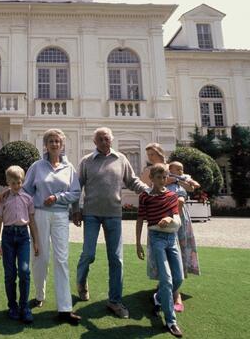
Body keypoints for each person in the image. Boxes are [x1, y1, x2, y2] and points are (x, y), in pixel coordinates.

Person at [74, 127, 148, 319]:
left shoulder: (121, 159)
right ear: (95, 142)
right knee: (88, 254)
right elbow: (76, 187)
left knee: (116, 259)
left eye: (107, 138)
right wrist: (75, 209)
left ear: (111, 140)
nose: (105, 141)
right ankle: (81, 282)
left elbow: (132, 181)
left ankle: (114, 301)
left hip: (114, 214)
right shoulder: (86, 161)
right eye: (101, 139)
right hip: (90, 214)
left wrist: (148, 190)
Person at [22, 128, 82, 325]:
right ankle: (39, 295)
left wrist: (57, 197)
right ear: (45, 145)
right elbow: (26, 191)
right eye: (51, 141)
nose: (55, 144)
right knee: (41, 256)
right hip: (39, 214)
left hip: (60, 215)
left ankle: (65, 308)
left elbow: (75, 192)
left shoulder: (69, 168)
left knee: (62, 259)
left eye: (57, 141)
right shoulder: (37, 166)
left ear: (62, 144)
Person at [136, 164, 185, 338]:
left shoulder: (172, 196)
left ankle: (158, 298)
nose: (163, 181)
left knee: (178, 277)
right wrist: (138, 243)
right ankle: (171, 321)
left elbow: (174, 215)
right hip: (156, 238)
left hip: (171, 239)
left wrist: (168, 218)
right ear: (152, 178)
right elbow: (140, 219)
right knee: (166, 278)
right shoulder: (145, 196)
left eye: (165, 177)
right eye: (159, 177)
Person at [0, 165, 39, 324]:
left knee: (25, 271)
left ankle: (24, 306)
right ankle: (12, 306)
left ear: (23, 181)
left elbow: (32, 221)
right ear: (8, 182)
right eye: (13, 183)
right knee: (10, 274)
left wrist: (36, 242)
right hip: (7, 237)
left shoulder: (28, 198)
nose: (16, 186)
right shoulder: (2, 199)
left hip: (23, 237)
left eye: (19, 182)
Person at [166, 161, 201, 312]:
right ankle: (167, 285)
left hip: (181, 215)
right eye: (178, 168)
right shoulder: (166, 176)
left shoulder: (183, 177)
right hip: (167, 213)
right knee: (169, 249)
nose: (181, 170)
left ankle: (176, 288)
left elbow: (194, 186)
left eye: (182, 168)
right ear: (170, 168)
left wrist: (182, 179)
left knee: (182, 246)